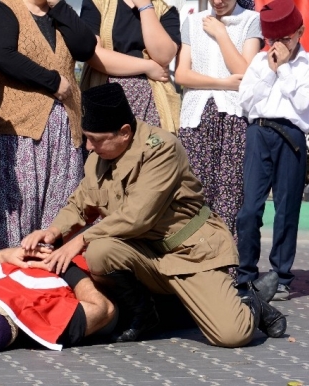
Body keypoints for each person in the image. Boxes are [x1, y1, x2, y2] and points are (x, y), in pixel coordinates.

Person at [21, 83, 287, 346]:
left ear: (124, 132)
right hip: (146, 255)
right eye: (87, 137)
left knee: (232, 335)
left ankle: (249, 301)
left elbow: (138, 216)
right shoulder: (98, 159)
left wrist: (80, 239)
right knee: (100, 251)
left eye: (96, 139)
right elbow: (81, 202)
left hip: (189, 253)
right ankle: (144, 316)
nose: (88, 147)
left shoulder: (162, 149)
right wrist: (53, 231)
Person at [0, 0, 97, 255]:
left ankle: (50, 284)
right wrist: (52, 81)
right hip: (16, 131)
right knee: (14, 218)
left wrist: (59, 6)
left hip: (64, 133)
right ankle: (5, 284)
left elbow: (86, 47)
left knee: (58, 216)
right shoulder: (6, 7)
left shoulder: (61, 14)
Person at [236, 0, 309, 302]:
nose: (280, 45)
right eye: (274, 39)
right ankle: (245, 274)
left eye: (286, 38)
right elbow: (245, 102)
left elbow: (303, 103)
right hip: (259, 131)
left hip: (291, 135)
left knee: (286, 209)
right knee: (249, 209)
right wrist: (270, 71)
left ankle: (281, 277)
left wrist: (283, 69)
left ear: (300, 31)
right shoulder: (260, 62)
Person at [174, 0, 262, 238]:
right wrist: (223, 83)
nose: (218, 2)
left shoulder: (251, 20)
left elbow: (245, 73)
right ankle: (194, 264)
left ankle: (227, 267)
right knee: (194, 196)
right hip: (195, 119)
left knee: (230, 195)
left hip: (234, 120)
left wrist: (222, 34)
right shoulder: (193, 21)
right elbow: (182, 74)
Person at [0, 247, 117, 353]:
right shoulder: (49, 323)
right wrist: (65, 267)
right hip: (100, 267)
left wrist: (6, 255)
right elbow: (105, 309)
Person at [79, 0, 181, 133]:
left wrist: (145, 7)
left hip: (152, 104)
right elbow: (93, 54)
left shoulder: (165, 10)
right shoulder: (98, 3)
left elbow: (163, 56)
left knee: (151, 150)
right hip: (106, 99)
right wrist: (148, 67)